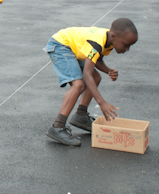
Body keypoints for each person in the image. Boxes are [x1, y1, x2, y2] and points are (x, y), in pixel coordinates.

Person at [44, 18, 138, 146]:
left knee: (96, 77)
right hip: (61, 45)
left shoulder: (109, 40)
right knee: (78, 84)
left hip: (73, 48)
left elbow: (96, 59)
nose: (127, 49)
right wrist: (102, 102)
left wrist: (108, 71)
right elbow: (87, 74)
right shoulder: (97, 43)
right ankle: (57, 126)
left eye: (130, 46)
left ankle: (81, 115)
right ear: (114, 36)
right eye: (126, 44)